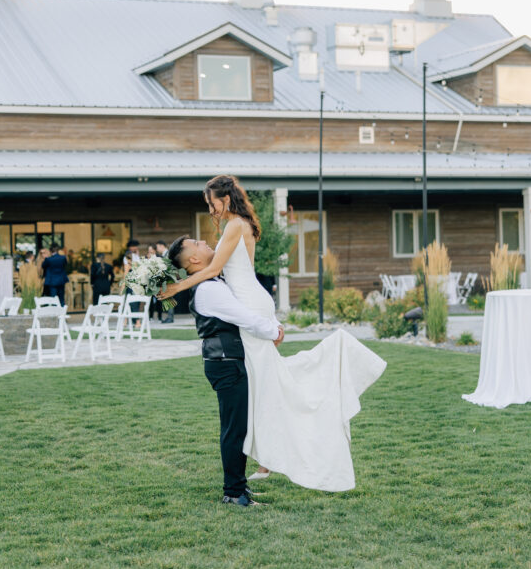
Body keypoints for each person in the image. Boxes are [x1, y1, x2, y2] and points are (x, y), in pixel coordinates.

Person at [162, 175, 386, 492]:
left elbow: (211, 271)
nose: (209, 207)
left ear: (224, 199)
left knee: (266, 382)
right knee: (265, 379)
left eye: (211, 201)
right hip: (252, 298)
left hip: (249, 304)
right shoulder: (242, 224)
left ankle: (272, 451)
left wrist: (176, 287)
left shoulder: (233, 225)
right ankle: (266, 455)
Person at [169, 233, 284, 507]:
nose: (206, 242)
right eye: (198, 243)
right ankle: (233, 492)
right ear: (194, 259)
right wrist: (273, 331)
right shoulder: (208, 289)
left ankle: (238, 486)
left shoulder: (211, 282)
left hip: (228, 360)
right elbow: (242, 316)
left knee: (238, 427)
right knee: (234, 429)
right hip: (225, 362)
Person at [155, 240, 175, 323]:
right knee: (167, 297)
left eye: (157, 247)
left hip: (168, 279)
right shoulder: (164, 255)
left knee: (169, 297)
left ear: (161, 246)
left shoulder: (168, 254)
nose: (157, 249)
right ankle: (169, 316)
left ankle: (170, 317)